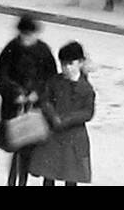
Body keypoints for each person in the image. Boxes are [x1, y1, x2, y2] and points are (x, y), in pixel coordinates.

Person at [0, 14, 56, 188]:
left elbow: (50, 78)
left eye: (31, 35)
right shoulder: (11, 49)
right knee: (16, 147)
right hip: (15, 106)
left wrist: (38, 92)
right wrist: (14, 93)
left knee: (36, 147)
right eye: (25, 35)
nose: (27, 39)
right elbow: (0, 76)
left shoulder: (43, 51)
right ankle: (15, 181)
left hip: (37, 108)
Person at [29, 42, 96, 187]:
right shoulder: (54, 81)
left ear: (80, 63)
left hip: (73, 136)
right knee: (49, 174)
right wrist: (53, 116)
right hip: (53, 134)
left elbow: (88, 112)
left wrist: (67, 119)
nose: (66, 68)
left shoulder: (86, 88)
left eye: (70, 64)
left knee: (71, 175)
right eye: (63, 64)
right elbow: (45, 100)